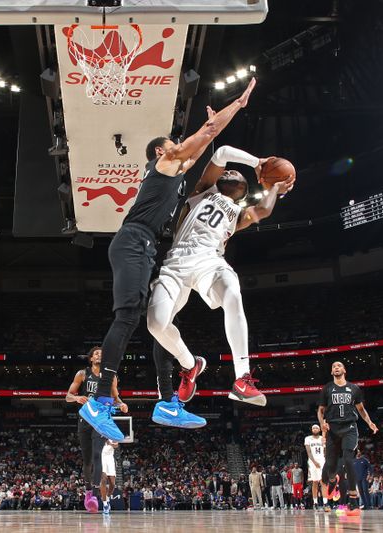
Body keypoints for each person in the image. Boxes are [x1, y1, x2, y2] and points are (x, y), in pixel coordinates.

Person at [79, 79, 258, 440]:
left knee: (158, 320)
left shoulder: (176, 177)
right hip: (132, 241)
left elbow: (205, 153)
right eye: (172, 145)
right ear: (161, 152)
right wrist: (234, 107)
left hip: (147, 249)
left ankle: (169, 401)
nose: (178, 148)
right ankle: (98, 401)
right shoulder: (163, 166)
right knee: (128, 317)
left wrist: (210, 134)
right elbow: (206, 136)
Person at [147, 144, 294, 417]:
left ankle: (242, 378)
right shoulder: (204, 189)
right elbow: (222, 152)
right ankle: (190, 365)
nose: (234, 171)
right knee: (155, 324)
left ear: (243, 192)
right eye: (233, 172)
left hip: (210, 262)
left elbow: (262, 211)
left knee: (233, 293)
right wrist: (258, 160)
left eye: (239, 174)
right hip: (175, 263)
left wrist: (276, 187)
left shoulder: (238, 214)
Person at [66, 346, 128, 510]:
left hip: (99, 419)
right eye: (96, 353)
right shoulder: (82, 374)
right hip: (85, 418)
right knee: (87, 460)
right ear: (91, 359)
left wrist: (121, 404)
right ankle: (88, 493)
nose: (100, 355)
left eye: (102, 353)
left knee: (96, 454)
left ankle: (94, 493)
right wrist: (77, 397)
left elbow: (115, 398)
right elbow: (68, 396)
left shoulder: (111, 376)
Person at [317, 361, 379, 516]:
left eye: (339, 366)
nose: (336, 367)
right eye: (333, 366)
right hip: (332, 429)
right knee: (330, 466)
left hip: (349, 428)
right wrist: (322, 423)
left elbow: (361, 410)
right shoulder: (327, 389)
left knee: (348, 460)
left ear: (344, 370)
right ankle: (333, 480)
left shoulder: (354, 388)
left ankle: (353, 499)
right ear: (332, 372)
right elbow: (320, 411)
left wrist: (370, 423)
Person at [304, 424, 327, 511]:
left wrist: (324, 461)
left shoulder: (322, 438)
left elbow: (325, 451)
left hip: (322, 461)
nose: (315, 429)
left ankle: (325, 503)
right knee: (315, 482)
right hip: (312, 462)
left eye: (316, 428)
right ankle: (315, 503)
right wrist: (314, 462)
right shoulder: (308, 438)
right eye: (313, 428)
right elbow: (308, 452)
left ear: (319, 429)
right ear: (311, 430)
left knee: (323, 482)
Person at [100, 439, 118, 515]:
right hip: (102, 459)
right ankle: (105, 504)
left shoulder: (112, 435)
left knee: (112, 484)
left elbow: (116, 445)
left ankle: (107, 498)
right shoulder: (99, 434)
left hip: (110, 460)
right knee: (103, 480)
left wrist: (110, 443)